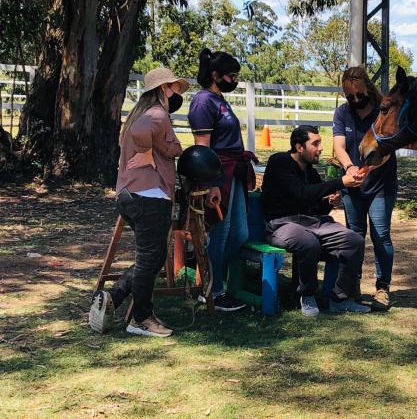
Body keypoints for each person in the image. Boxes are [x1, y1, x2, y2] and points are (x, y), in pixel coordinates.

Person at [89, 67, 188, 338]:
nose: (178, 93)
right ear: (163, 89)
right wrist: (151, 152)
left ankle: (115, 297)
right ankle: (141, 318)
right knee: (149, 258)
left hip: (130, 194)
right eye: (174, 88)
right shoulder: (156, 114)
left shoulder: (139, 113)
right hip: (149, 195)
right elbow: (146, 133)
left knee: (153, 257)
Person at [261, 125, 371, 317]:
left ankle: (339, 298)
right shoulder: (279, 162)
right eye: (315, 143)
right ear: (299, 147)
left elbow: (314, 206)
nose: (320, 148)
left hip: (312, 223)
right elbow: (300, 193)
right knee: (307, 242)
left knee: (354, 241)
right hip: (281, 224)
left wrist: (329, 202)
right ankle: (306, 295)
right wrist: (340, 182)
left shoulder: (310, 172)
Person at [187, 48, 255, 312]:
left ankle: (214, 278)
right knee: (221, 231)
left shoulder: (220, 100)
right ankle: (213, 290)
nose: (234, 80)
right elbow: (203, 148)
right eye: (231, 75)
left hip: (234, 171)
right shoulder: (203, 102)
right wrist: (211, 182)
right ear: (215, 75)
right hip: (218, 174)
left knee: (240, 233)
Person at [333, 66, 398, 311]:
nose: (356, 101)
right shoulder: (342, 113)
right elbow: (339, 146)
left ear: (367, 88)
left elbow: (388, 151)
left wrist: (366, 170)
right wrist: (350, 169)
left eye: (359, 95)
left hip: (380, 184)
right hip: (352, 184)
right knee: (354, 235)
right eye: (350, 97)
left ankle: (383, 287)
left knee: (381, 234)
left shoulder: (383, 112)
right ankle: (354, 282)